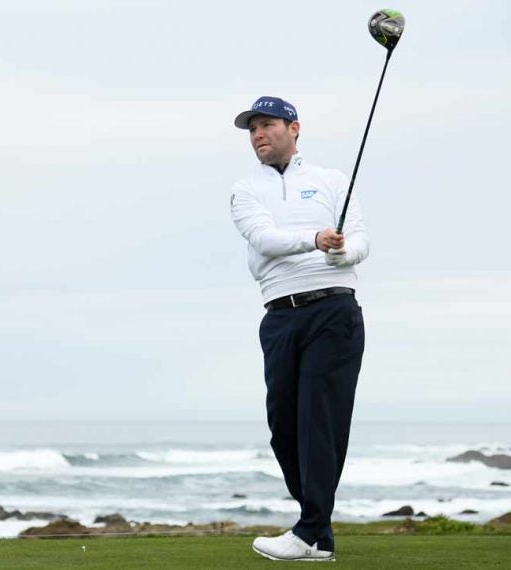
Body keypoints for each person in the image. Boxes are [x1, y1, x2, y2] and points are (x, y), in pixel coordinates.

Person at [229, 96, 369, 562]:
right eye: (252, 129)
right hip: (280, 316)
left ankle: (308, 530)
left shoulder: (330, 181)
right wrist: (314, 239)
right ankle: (319, 534)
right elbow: (264, 240)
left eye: (266, 125)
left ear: (294, 128)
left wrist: (341, 253)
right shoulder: (245, 191)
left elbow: (361, 239)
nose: (258, 135)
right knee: (283, 427)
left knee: (319, 423)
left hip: (334, 311)